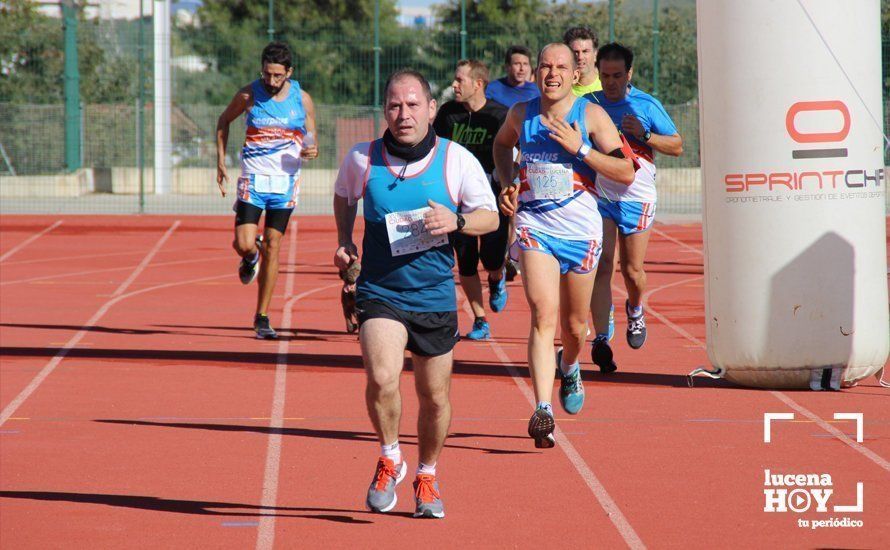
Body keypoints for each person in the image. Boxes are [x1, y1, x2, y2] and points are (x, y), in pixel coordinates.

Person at [333, 69, 498, 518]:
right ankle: (390, 456)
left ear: (430, 109)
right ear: (384, 110)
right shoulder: (362, 158)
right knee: (383, 377)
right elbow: (345, 195)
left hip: (433, 295)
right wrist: (345, 240)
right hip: (380, 289)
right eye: (393, 106)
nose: (402, 114)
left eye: (411, 105)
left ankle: (427, 473)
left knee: (435, 397)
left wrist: (457, 222)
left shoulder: (455, 160)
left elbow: (491, 216)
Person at [494, 44, 634, 448]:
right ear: (536, 73)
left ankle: (570, 365)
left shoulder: (590, 116)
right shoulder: (521, 114)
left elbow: (625, 171)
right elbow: (502, 147)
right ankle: (542, 409)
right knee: (542, 315)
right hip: (536, 226)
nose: (551, 73)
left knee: (574, 329)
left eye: (560, 67)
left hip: (581, 233)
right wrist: (508, 183)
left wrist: (582, 150)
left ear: (575, 75)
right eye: (545, 66)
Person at [586, 43, 683, 372]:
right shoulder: (589, 105)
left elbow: (678, 145)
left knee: (632, 271)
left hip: (637, 195)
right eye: (604, 76)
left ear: (629, 73)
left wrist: (645, 135)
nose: (610, 82)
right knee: (602, 266)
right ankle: (600, 338)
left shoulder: (645, 104)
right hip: (601, 193)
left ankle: (636, 309)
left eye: (616, 75)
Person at [216, 41, 318, 339]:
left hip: (285, 184)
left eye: (277, 76)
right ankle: (250, 257)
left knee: (274, 244)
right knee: (245, 243)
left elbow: (311, 135)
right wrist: (220, 162)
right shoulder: (249, 94)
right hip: (254, 180)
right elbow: (224, 120)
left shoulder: (303, 99)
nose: (271, 81)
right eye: (266, 75)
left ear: (289, 72)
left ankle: (262, 317)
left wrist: (312, 149)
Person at [433, 59, 510, 340]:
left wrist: (508, 184)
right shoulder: (447, 115)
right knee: (465, 262)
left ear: (478, 84)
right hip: (457, 200)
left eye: (459, 80)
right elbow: (435, 151)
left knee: (491, 259)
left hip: (491, 199)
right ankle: (480, 319)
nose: (454, 85)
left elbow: (514, 153)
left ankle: (497, 277)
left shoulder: (500, 116)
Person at [564, 26, 602, 97]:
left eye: (585, 51)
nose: (580, 57)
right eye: (575, 52)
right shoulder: (560, 90)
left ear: (596, 54)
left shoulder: (607, 86)